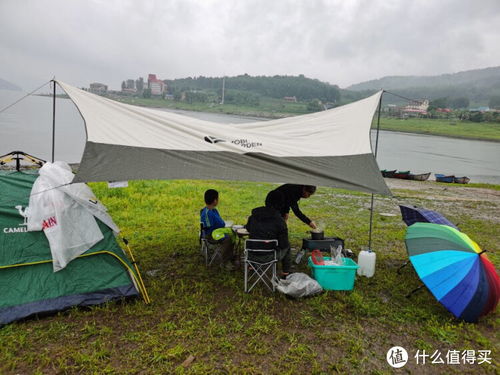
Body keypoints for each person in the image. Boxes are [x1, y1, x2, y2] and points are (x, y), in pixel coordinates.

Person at [246, 190, 291, 277]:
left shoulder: (253, 216)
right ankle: (285, 273)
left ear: (266, 201)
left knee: (255, 240)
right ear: (281, 204)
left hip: (251, 254)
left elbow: (248, 228)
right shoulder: (280, 221)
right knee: (287, 245)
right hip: (269, 255)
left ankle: (251, 266)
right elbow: (283, 244)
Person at [200, 189, 235, 270]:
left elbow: (220, 222)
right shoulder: (207, 213)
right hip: (211, 235)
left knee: (233, 234)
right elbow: (208, 228)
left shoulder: (214, 210)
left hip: (217, 231)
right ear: (215, 200)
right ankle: (225, 262)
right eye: (218, 198)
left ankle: (230, 256)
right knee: (227, 239)